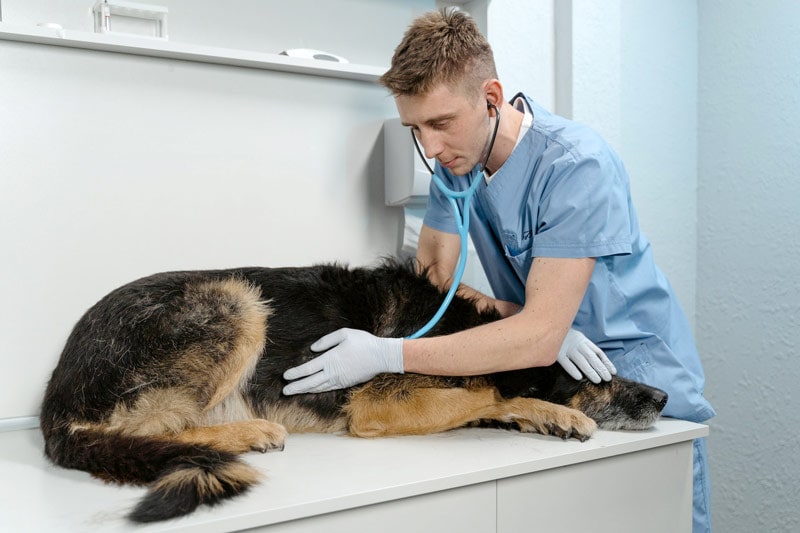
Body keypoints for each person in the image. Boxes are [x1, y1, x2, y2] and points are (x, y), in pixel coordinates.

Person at [283, 8, 715, 532]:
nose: (431, 147)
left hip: (633, 384)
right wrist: (520, 314)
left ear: (491, 98)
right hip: (545, 376)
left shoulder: (576, 167)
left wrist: (387, 354)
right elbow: (435, 286)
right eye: (415, 128)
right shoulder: (456, 166)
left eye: (441, 123)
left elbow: (535, 339)